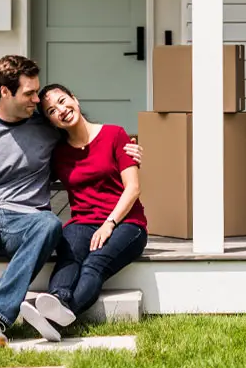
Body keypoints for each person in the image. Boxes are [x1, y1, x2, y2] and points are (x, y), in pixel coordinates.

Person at [0, 55, 142, 346]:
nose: (37, 98)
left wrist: (129, 150)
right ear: (5, 92)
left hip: (29, 225)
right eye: (29, 93)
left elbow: (89, 139)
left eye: (38, 92)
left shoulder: (47, 124)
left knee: (49, 223)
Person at [18, 83, 149, 342]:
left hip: (126, 222)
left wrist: (109, 224)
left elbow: (133, 188)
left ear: (75, 99)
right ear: (51, 122)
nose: (61, 110)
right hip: (83, 222)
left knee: (93, 264)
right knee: (69, 257)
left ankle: (61, 314)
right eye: (52, 110)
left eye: (63, 100)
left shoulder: (115, 135)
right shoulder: (58, 154)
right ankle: (56, 301)